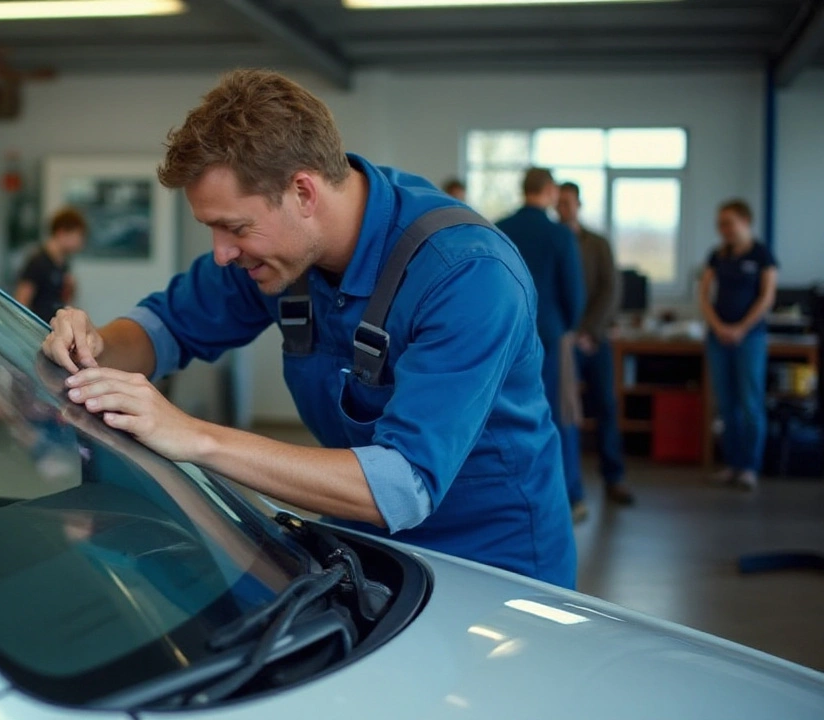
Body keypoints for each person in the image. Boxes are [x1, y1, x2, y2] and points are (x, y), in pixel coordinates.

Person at [41, 70, 576, 588]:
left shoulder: (468, 275)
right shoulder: (275, 256)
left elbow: (401, 486)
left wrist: (194, 436)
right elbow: (166, 328)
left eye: (235, 228)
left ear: (303, 192)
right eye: (213, 229)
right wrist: (96, 343)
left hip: (494, 565)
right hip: (363, 545)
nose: (222, 254)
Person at [496, 169, 588, 522]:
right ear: (549, 191)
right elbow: (575, 295)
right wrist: (565, 326)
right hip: (550, 335)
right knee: (559, 414)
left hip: (508, 337)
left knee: (512, 416)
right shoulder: (559, 235)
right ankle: (570, 496)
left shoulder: (500, 227)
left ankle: (518, 497)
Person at [557, 182, 634, 506]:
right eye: (558, 203)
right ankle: (567, 487)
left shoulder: (597, 244)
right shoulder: (553, 241)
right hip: (563, 342)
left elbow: (610, 290)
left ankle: (613, 478)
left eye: (568, 203)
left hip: (596, 339)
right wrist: (570, 333)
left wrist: (589, 330)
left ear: (579, 204)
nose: (563, 208)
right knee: (563, 413)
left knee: (606, 406)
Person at [700, 199, 778, 491]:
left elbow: (766, 297)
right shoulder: (718, 255)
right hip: (719, 337)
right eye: (720, 224)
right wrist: (719, 327)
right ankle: (731, 463)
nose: (724, 230)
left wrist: (741, 328)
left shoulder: (762, 255)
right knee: (727, 404)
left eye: (729, 223)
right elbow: (704, 295)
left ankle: (750, 466)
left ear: (746, 222)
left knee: (750, 403)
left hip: (750, 337)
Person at [14, 207, 86, 320]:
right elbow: (21, 300)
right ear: (62, 233)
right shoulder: (38, 262)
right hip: (38, 328)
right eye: (78, 235)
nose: (80, 242)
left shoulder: (63, 264)